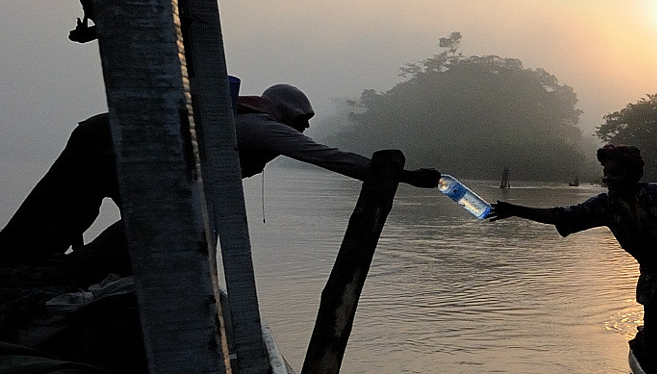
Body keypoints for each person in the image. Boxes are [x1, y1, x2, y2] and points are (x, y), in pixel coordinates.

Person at [0, 83, 442, 271]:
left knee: (113, 224)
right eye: (302, 121)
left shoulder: (242, 122)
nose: (304, 130)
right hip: (109, 144)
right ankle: (41, 271)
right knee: (61, 214)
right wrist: (401, 176)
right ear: (287, 115)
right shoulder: (260, 126)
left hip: (121, 144)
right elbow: (327, 157)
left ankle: (54, 269)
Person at [487, 144, 657, 359]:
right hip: (656, 276)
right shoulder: (606, 207)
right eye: (606, 174)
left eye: (614, 174)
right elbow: (564, 215)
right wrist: (515, 210)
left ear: (631, 176)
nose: (608, 179)